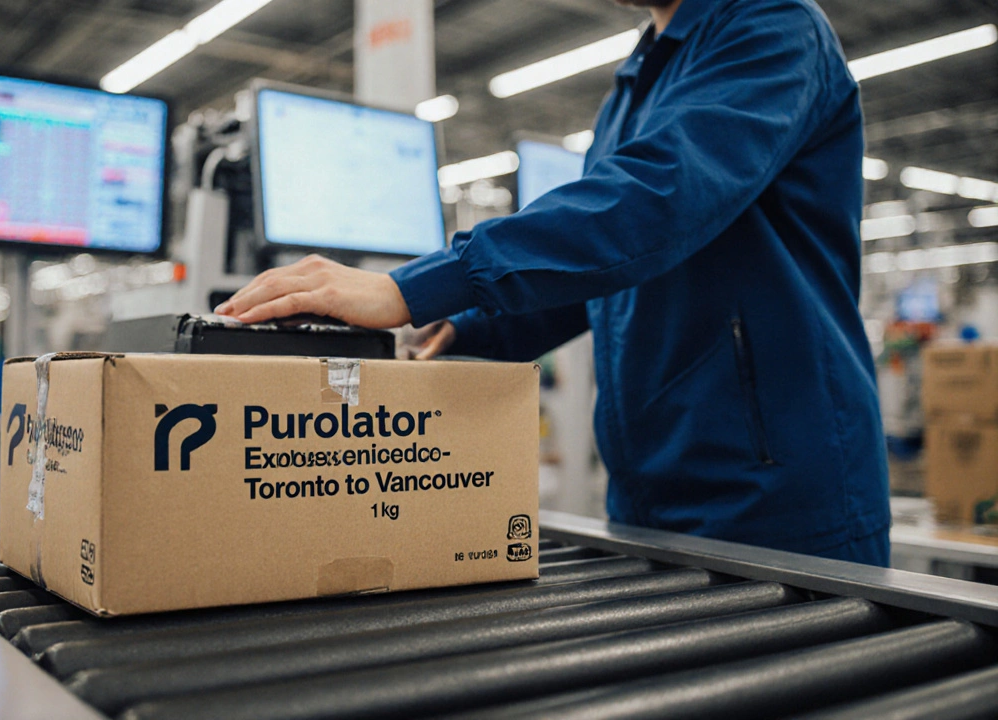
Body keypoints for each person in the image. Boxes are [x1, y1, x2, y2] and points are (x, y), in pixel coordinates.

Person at [216, 0, 891, 565]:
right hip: (652, 488)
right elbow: (608, 276)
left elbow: (654, 203)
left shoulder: (772, 26)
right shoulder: (637, 80)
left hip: (779, 498)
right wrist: (464, 328)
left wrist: (411, 288)